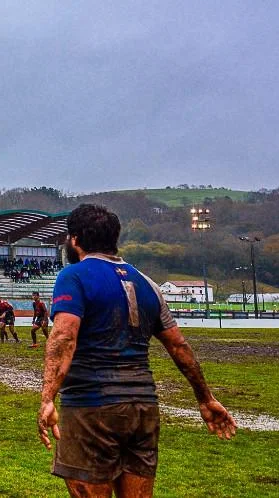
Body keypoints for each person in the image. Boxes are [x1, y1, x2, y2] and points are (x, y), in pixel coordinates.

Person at [38, 204, 236, 497]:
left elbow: (64, 336)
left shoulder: (74, 276)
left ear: (75, 239)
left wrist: (47, 398)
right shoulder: (148, 284)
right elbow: (178, 345)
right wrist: (205, 398)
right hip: (143, 409)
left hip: (92, 406)